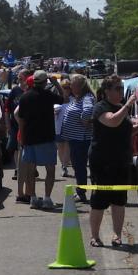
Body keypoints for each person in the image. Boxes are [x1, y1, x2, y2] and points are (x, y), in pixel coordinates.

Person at [87, 75, 138, 247]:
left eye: (122, 89)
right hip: (102, 161)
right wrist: (128, 105)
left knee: (119, 200)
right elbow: (112, 121)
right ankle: (95, 236)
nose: (121, 92)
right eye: (117, 89)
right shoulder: (100, 107)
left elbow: (126, 131)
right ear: (107, 91)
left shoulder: (120, 108)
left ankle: (117, 235)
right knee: (99, 200)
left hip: (121, 160)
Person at [15, 69, 60, 209]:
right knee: (50, 169)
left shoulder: (24, 97)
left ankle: (33, 198)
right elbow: (64, 98)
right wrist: (56, 83)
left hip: (29, 139)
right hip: (47, 138)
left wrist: (22, 138)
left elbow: (21, 119)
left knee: (30, 170)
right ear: (45, 82)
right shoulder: (48, 95)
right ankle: (47, 198)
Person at [60, 74, 96, 203]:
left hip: (81, 139)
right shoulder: (78, 97)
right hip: (75, 139)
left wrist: (85, 121)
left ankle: (82, 192)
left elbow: (88, 110)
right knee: (78, 166)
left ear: (79, 86)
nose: (70, 86)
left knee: (80, 167)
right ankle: (82, 191)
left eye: (72, 84)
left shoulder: (87, 97)